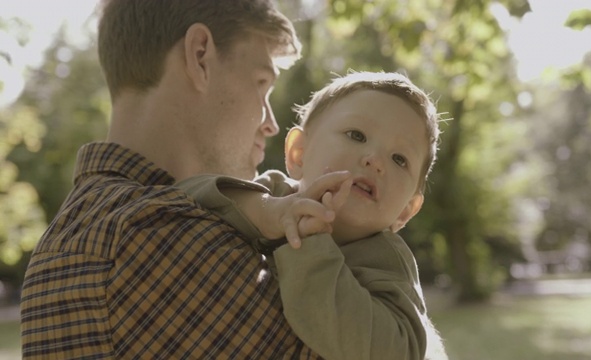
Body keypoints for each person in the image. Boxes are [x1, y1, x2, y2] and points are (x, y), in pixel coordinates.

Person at [20, 0, 344, 358]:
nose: (271, 123)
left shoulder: (87, 228)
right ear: (200, 56)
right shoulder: (149, 231)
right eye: (261, 83)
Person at [176, 71, 449, 360]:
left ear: (406, 210)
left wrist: (310, 242)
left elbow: (398, 352)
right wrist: (266, 212)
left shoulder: (388, 263)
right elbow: (183, 194)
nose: (375, 160)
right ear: (299, 154)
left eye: (399, 159)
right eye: (357, 135)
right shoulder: (274, 192)